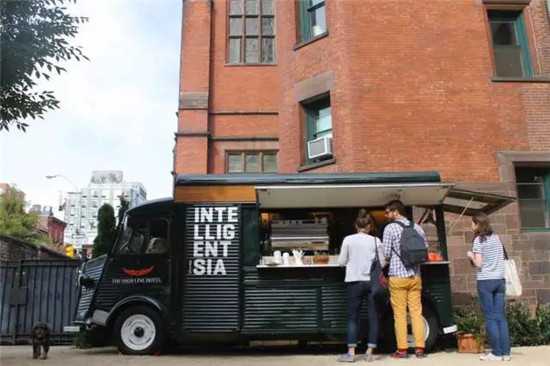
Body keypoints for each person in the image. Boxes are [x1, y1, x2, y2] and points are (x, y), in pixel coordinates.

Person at [337, 210, 385, 363]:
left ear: (355, 226)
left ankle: (351, 354)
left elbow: (341, 262)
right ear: (369, 226)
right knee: (373, 317)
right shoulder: (376, 241)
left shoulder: (348, 240)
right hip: (372, 283)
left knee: (353, 318)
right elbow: (383, 263)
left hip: (354, 281)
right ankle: (369, 352)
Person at [382, 200, 428, 359]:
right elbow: (425, 250)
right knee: (416, 313)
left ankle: (402, 350)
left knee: (400, 315)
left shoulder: (390, 228)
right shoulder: (417, 227)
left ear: (395, 211)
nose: (386, 215)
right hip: (415, 276)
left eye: (387, 212)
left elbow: (386, 254)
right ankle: (420, 348)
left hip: (397, 277)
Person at [467, 213, 511, 361]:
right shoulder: (497, 237)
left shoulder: (478, 240)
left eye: (472, 223)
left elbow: (479, 264)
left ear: (478, 224)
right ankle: (506, 353)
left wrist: (470, 255)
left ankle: (496, 353)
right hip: (500, 280)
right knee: (500, 317)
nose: (471, 226)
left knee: (491, 318)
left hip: (486, 281)